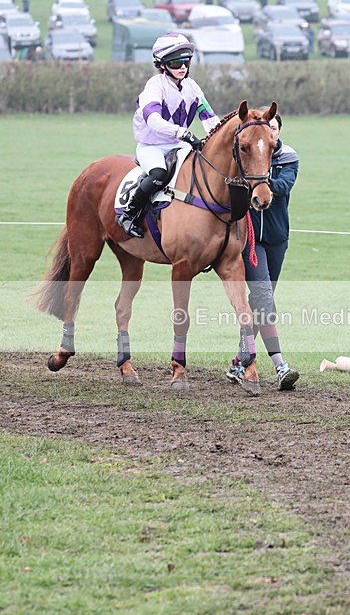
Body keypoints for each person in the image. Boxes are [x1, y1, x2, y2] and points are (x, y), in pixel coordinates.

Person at [116, 33, 219, 239]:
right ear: (162, 65)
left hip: (179, 145)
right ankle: (128, 215)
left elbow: (209, 118)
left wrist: (219, 137)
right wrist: (184, 133)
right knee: (158, 175)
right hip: (152, 146)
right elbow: (153, 120)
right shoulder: (155, 86)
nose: (182, 67)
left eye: (186, 61)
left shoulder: (193, 87)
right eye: (175, 62)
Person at [226, 113, 299, 391]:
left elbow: (283, 186)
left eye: (275, 128)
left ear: (278, 132)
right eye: (267, 128)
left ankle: (237, 362)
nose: (271, 131)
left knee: (261, 304)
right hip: (251, 241)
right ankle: (281, 366)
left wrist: (260, 180)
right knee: (265, 300)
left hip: (278, 239)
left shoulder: (289, 158)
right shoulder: (246, 161)